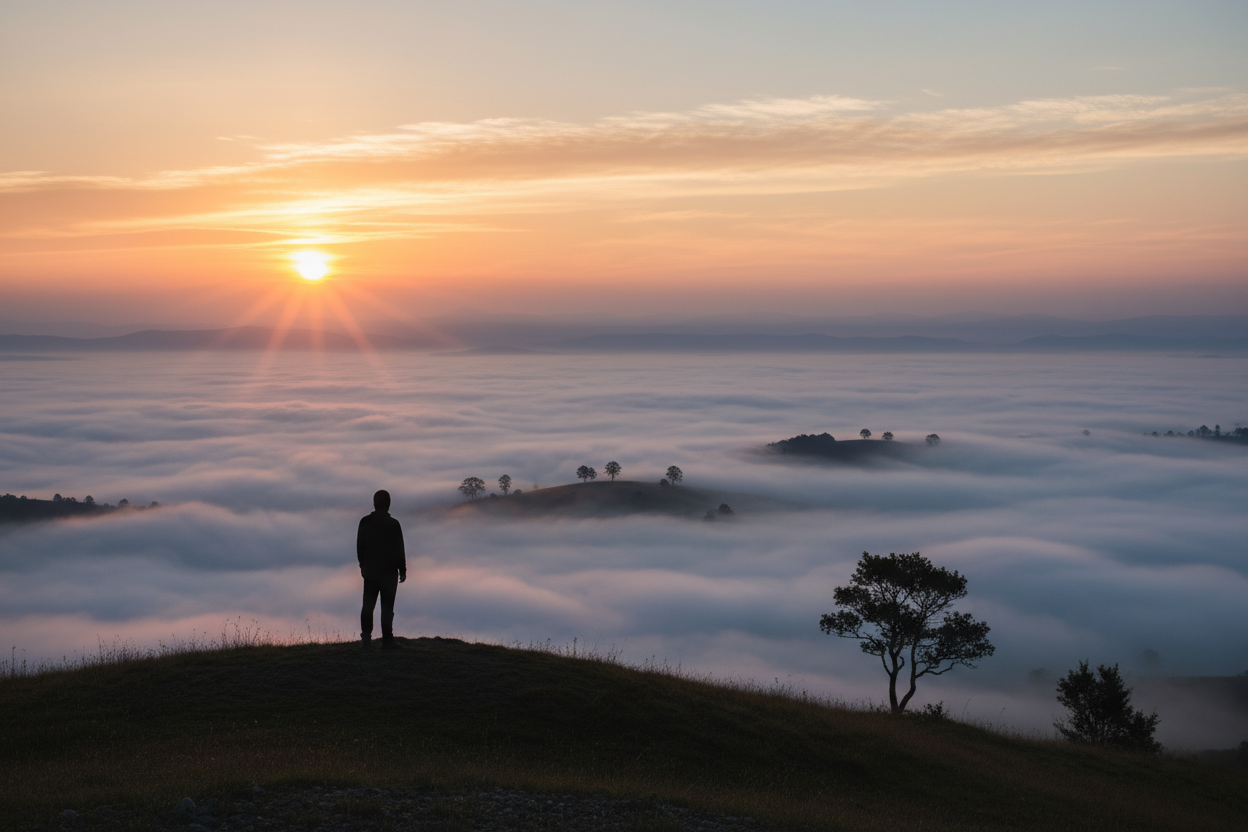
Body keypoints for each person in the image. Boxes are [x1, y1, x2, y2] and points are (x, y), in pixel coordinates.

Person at [357, 489, 406, 648]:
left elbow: (360, 548)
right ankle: (387, 640)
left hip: (370, 572)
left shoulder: (365, 522)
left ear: (374, 503)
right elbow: (399, 549)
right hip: (389, 573)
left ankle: (366, 639)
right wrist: (402, 569)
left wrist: (363, 566)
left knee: (368, 606)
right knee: (387, 608)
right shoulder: (393, 524)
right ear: (388, 504)